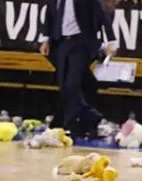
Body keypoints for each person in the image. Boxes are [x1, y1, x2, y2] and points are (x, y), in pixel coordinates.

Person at [39, 0, 117, 139]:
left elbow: (102, 16)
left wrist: (111, 42)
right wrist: (46, 39)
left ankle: (70, 128)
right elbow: (49, 16)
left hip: (80, 43)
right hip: (61, 43)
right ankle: (91, 116)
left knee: (72, 84)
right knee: (64, 86)